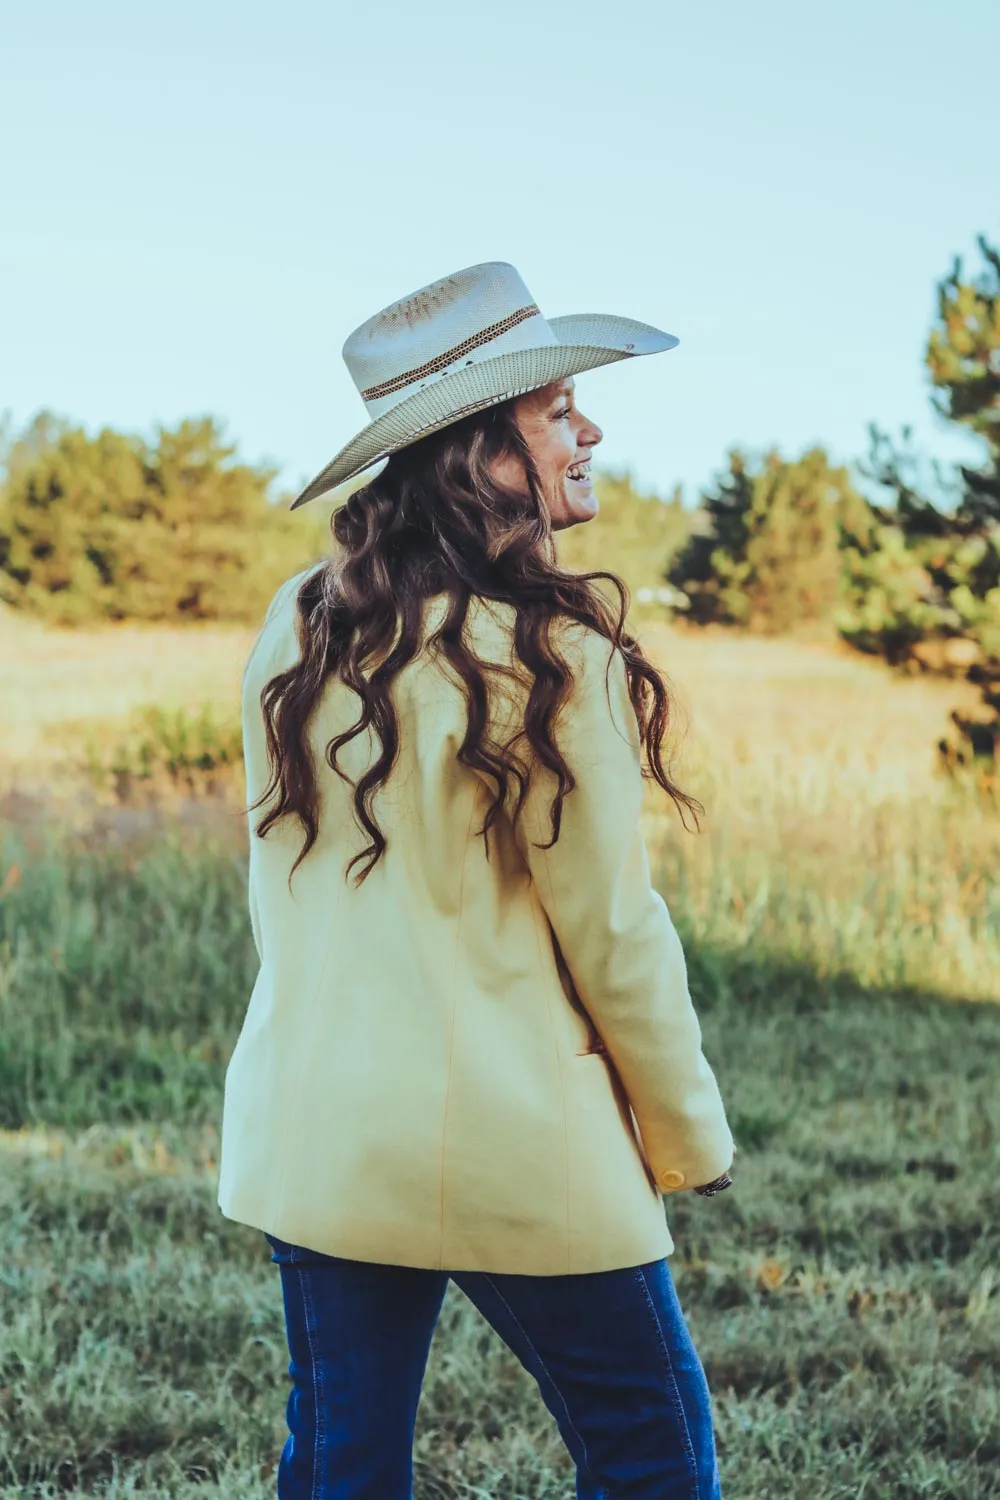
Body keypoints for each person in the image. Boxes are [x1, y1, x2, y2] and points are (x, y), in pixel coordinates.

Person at [217, 261, 736, 1500]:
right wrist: (685, 1136)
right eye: (558, 408)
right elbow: (612, 935)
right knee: (652, 1451)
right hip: (520, 1138)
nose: (590, 430)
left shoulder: (297, 625)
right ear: (478, 449)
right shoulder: (555, 652)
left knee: (340, 1462)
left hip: (321, 1125)